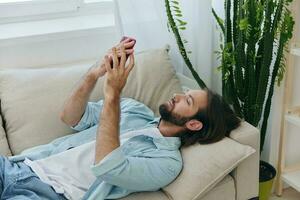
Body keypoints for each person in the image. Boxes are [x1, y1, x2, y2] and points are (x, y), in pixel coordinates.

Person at [0, 38, 241, 200]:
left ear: (194, 124)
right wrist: (95, 73)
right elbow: (70, 117)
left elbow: (107, 166)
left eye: (187, 101)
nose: (177, 95)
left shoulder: (167, 163)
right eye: (185, 93)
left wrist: (113, 93)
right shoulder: (134, 110)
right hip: (21, 165)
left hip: (46, 193)